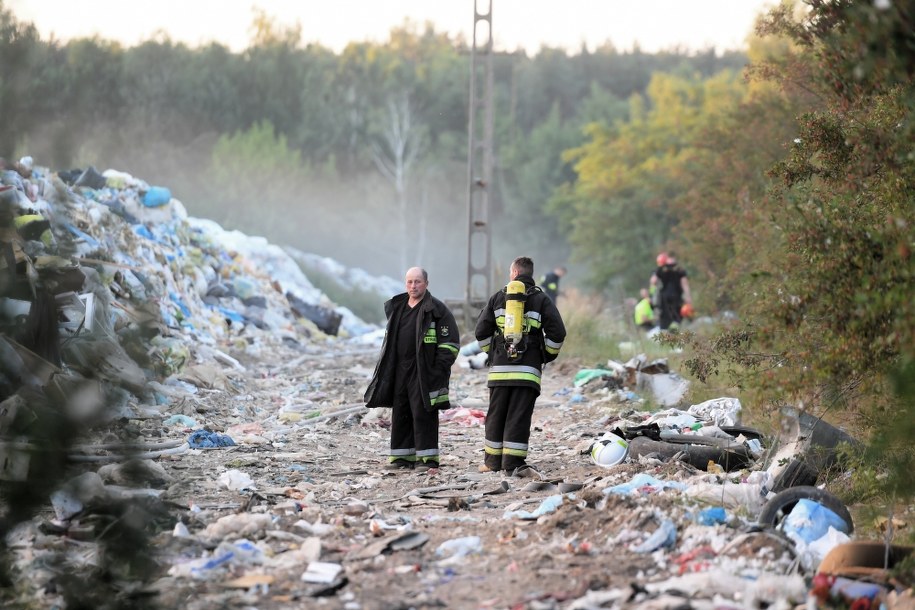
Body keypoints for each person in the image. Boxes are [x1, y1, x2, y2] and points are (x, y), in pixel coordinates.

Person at [475, 257, 566, 473]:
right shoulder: (541, 299)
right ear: (530, 273)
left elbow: (481, 332)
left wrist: (493, 353)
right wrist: (545, 355)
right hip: (527, 372)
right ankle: (512, 463)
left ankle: (491, 463)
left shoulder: (498, 297)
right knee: (518, 416)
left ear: (514, 273)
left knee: (496, 415)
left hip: (499, 370)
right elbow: (558, 333)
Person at [364, 267, 460, 470]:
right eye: (409, 282)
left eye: (417, 281)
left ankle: (427, 459)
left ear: (426, 283)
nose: (413, 286)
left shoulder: (437, 310)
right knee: (401, 412)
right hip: (400, 369)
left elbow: (450, 344)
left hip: (424, 371)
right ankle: (402, 457)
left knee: (423, 412)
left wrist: (437, 370)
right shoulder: (398, 307)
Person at [650, 251, 692, 330]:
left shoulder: (661, 269)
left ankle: (666, 332)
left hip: (664, 297)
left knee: (665, 316)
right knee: (677, 314)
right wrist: (688, 297)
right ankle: (677, 329)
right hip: (676, 295)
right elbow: (685, 284)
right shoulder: (679, 269)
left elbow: (653, 281)